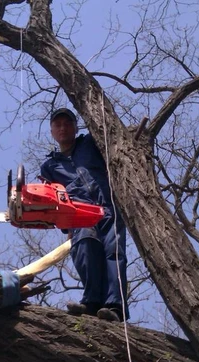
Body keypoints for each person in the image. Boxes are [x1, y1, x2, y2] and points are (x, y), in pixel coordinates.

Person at [40, 107, 128, 322]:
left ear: (75, 127)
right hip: (78, 215)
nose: (63, 128)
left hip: (108, 207)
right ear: (52, 131)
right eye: (58, 125)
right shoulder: (49, 166)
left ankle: (115, 307)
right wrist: (66, 226)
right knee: (85, 247)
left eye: (67, 123)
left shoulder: (90, 143)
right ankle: (92, 303)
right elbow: (51, 200)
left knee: (114, 252)